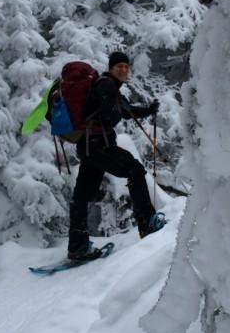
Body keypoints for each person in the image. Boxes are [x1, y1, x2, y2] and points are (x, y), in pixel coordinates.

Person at [67, 51, 166, 260]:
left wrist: (148, 110)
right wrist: (115, 108)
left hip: (88, 147)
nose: (123, 69)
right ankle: (147, 223)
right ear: (111, 68)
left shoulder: (109, 87)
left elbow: (126, 109)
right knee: (135, 170)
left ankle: (77, 246)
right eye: (119, 66)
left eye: (126, 66)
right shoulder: (106, 85)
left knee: (81, 197)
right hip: (99, 146)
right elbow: (110, 115)